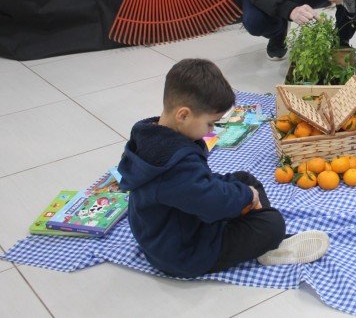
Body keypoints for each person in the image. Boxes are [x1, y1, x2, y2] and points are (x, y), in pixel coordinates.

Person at [117, 59, 329, 278]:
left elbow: (195, 187)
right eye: (210, 123)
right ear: (183, 115)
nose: (211, 131)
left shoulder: (149, 133)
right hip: (184, 253)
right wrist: (247, 196)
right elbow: (210, 201)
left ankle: (253, 227)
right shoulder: (175, 167)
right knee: (272, 224)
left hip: (169, 228)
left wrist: (243, 193)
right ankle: (267, 246)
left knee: (244, 178)